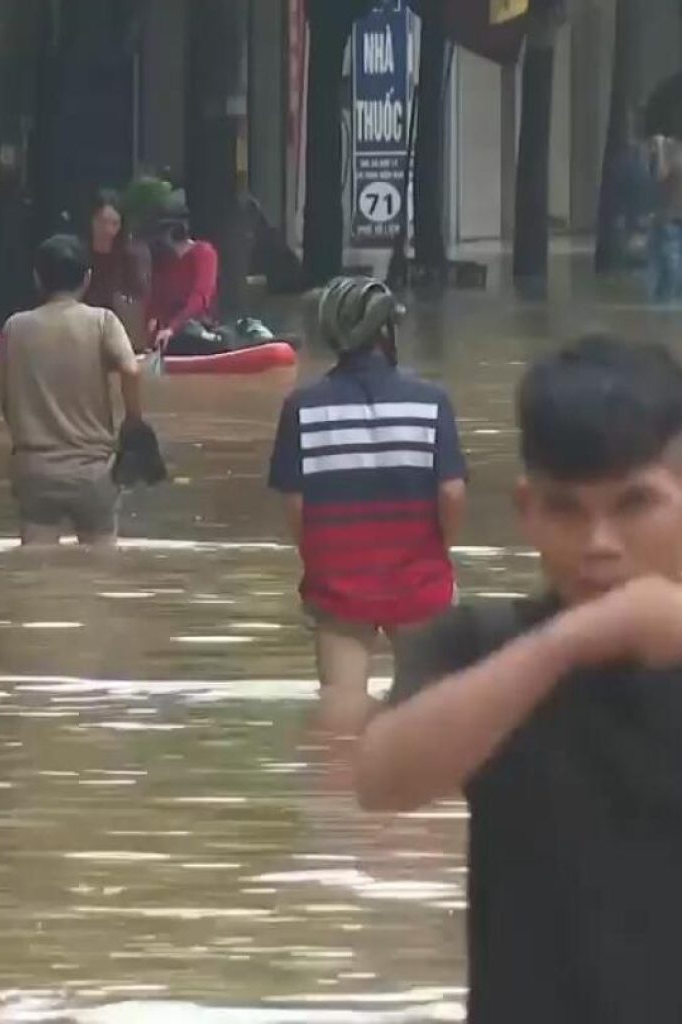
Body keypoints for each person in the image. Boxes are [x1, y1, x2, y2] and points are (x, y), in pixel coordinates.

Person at [356, 335, 682, 1022]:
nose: (600, 543)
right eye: (567, 509)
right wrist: (564, 643)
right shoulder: (477, 644)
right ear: (528, 510)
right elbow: (383, 780)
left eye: (634, 505)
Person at [268, 276, 467, 732]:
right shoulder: (432, 403)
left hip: (338, 586)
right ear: (386, 334)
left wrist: (320, 563)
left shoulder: (302, 408)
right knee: (428, 719)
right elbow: (452, 494)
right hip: (421, 581)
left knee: (339, 719)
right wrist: (440, 551)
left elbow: (296, 507)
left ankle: (342, 801)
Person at [0, 234, 142, 546]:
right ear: (87, 278)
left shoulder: (14, 328)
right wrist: (133, 422)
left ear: (37, 278)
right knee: (101, 572)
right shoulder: (102, 321)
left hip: (36, 467)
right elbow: (131, 369)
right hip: (93, 468)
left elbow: (3, 396)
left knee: (35, 571)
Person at [146, 192, 219, 352]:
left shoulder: (203, 253)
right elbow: (156, 298)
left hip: (196, 331)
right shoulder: (164, 261)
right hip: (167, 336)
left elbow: (200, 297)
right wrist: (153, 320)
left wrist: (173, 327)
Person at [83, 189, 150, 350]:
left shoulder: (132, 254)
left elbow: (139, 298)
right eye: (101, 221)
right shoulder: (79, 252)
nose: (107, 229)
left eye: (114, 223)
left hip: (122, 332)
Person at [648, 133, 682, 301]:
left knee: (669, 269)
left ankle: (664, 310)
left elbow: (660, 175)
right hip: (671, 219)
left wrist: (661, 147)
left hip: (670, 219)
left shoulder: (674, 153)